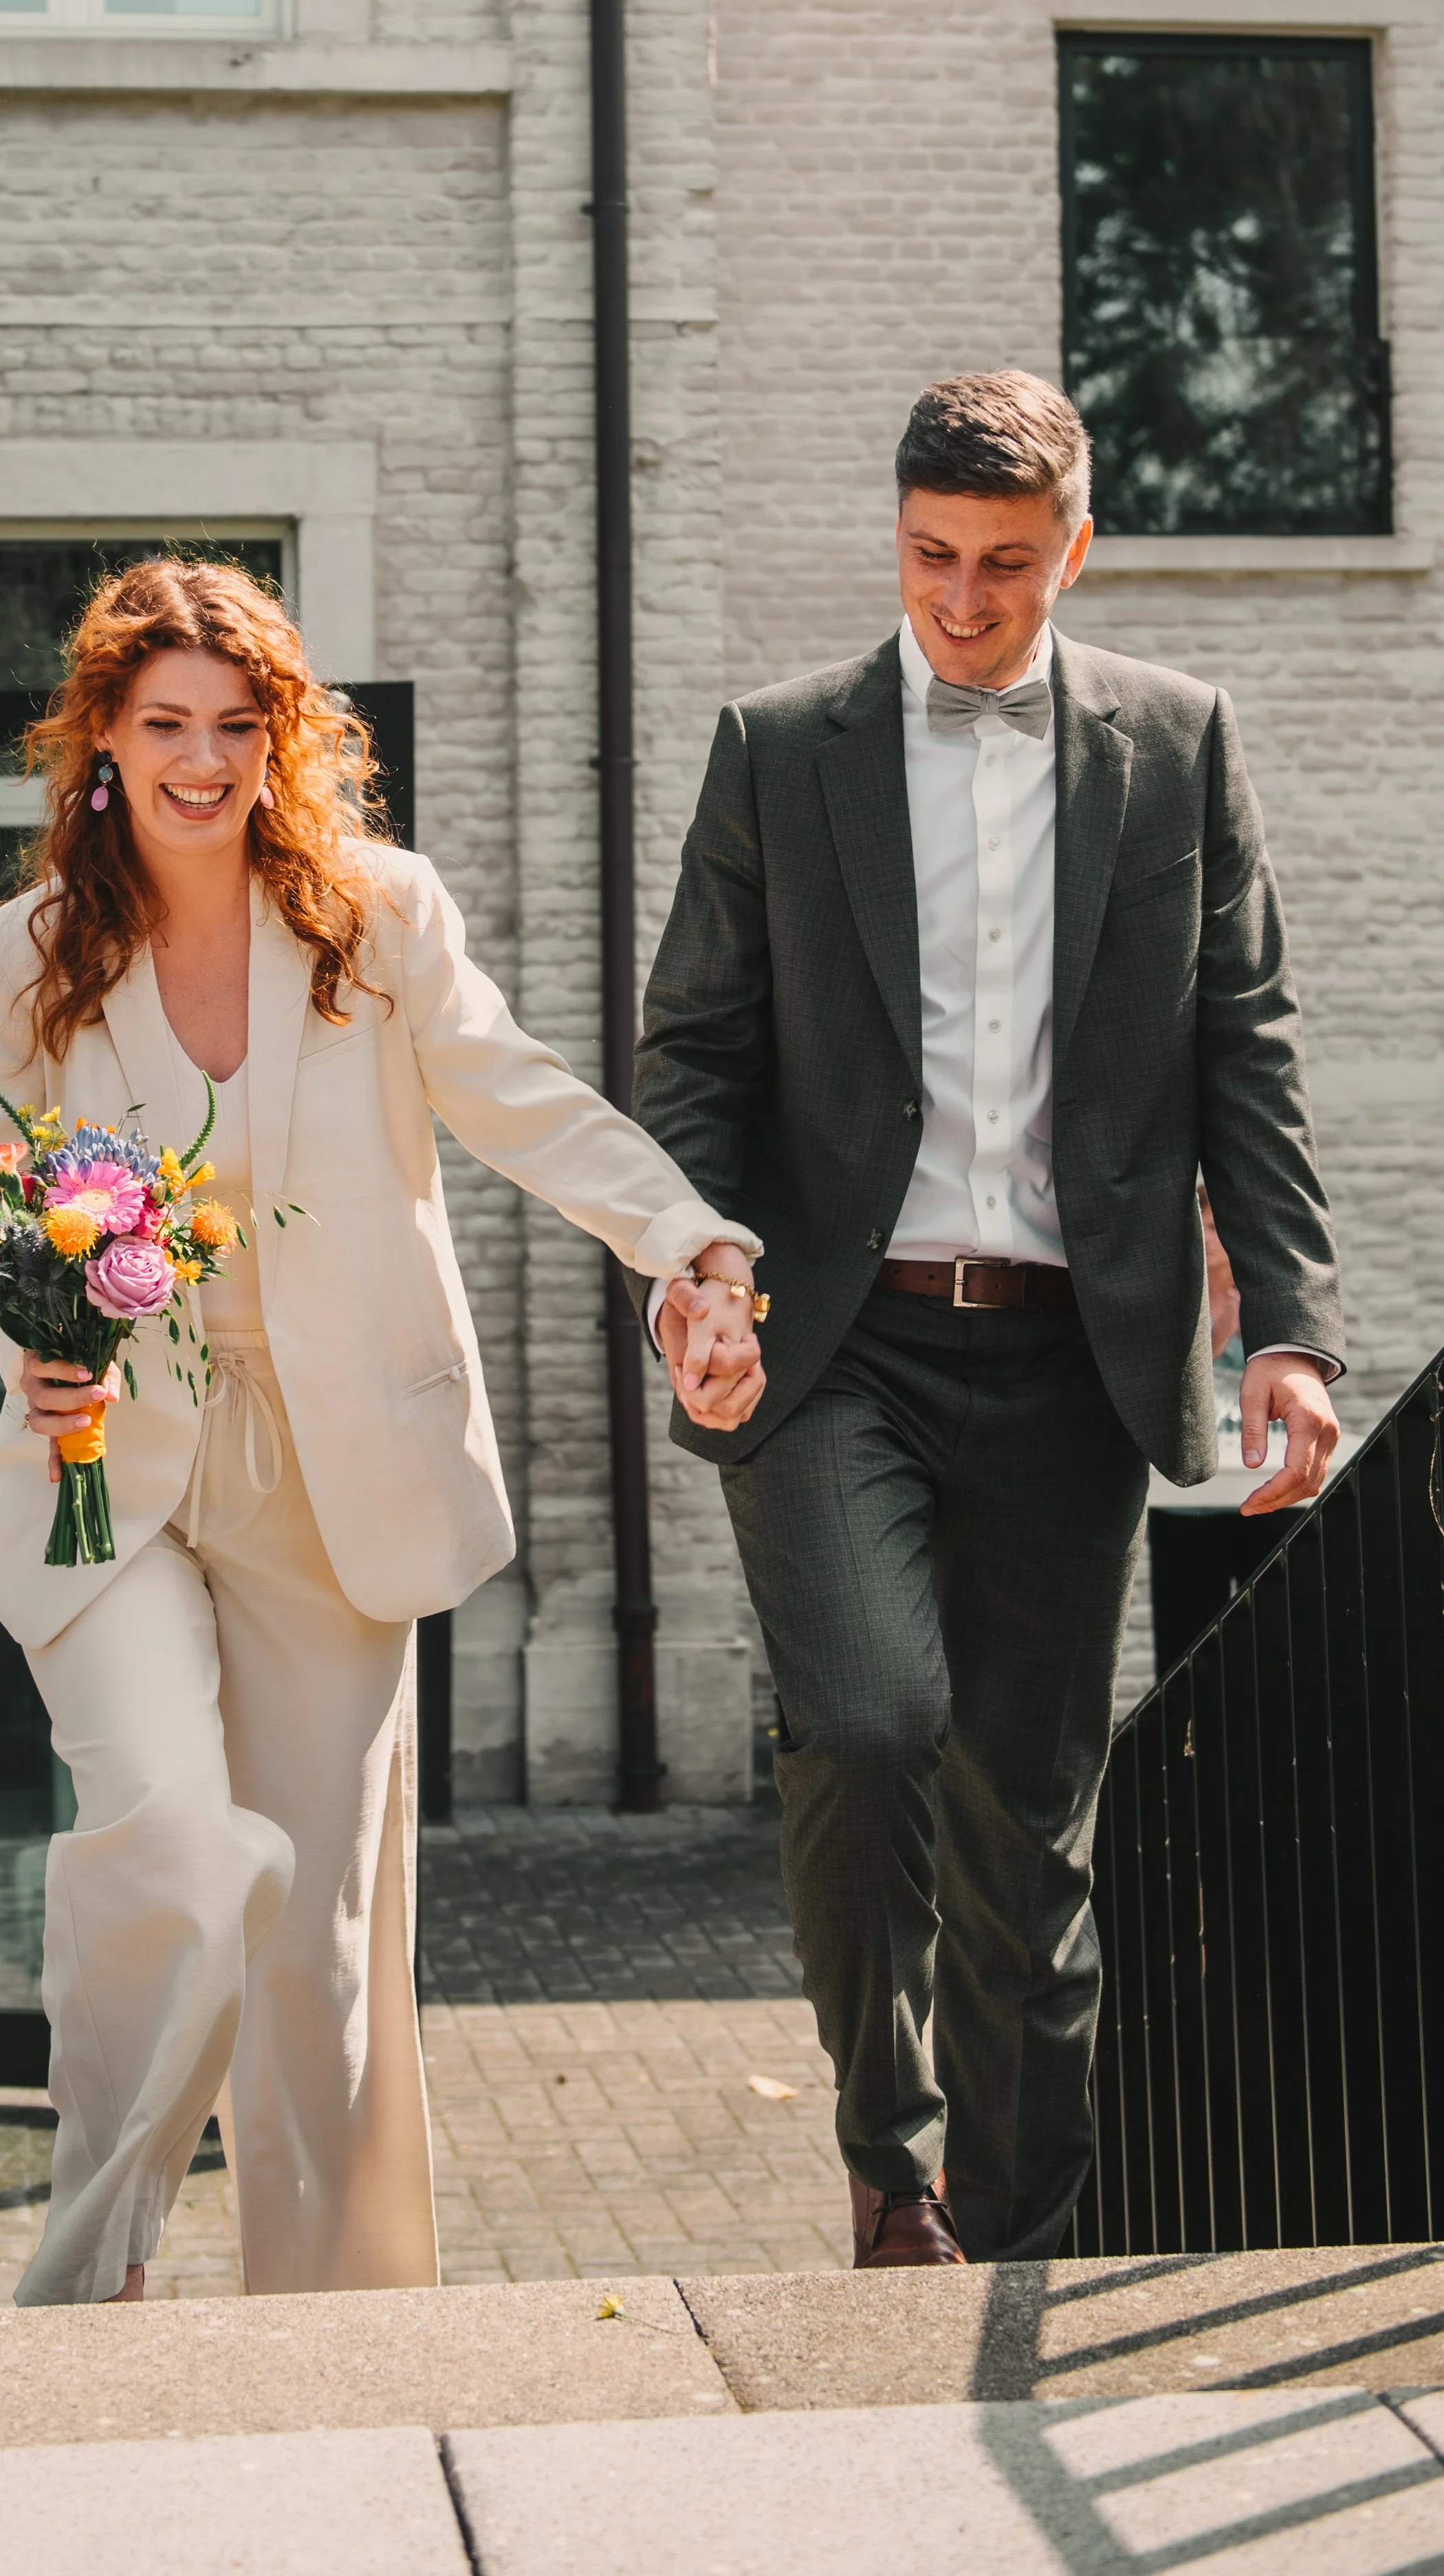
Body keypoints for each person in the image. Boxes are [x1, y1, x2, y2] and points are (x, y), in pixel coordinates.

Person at [0, 557, 761, 2306]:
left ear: (281, 738)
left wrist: (685, 1238)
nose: (201, 761)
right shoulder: (15, 962)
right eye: (163, 724)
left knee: (312, 1952)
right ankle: (94, 2271)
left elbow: (518, 1095)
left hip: (340, 1488)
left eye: (237, 727)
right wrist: (29, 1344)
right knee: (168, 1838)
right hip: (115, 1481)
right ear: (100, 735)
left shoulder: (371, 919)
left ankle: (325, 2338)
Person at [631, 372, 1343, 2267]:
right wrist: (691, 1262)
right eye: (931, 558)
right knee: (868, 1727)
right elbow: (691, 1056)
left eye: (1005, 566)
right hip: (827, 1341)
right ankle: (889, 2161)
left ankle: (1023, 2247)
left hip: (1067, 1348)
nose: (962, 602)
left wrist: (1284, 1326)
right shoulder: (781, 748)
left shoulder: (1171, 745)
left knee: (1031, 1830)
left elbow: (1240, 1049)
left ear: (1073, 548)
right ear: (896, 537)